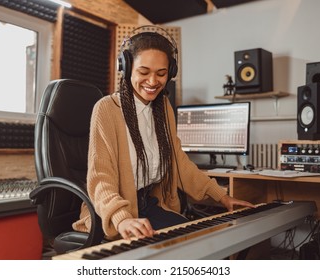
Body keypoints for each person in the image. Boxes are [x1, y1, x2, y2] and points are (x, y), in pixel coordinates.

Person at [72, 27, 254, 241]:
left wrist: (222, 197)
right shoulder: (107, 109)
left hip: (148, 206)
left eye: (161, 73)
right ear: (127, 67)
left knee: (200, 240)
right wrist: (122, 218)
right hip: (111, 211)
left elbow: (180, 163)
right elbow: (100, 177)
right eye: (144, 72)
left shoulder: (163, 108)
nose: (152, 81)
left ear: (171, 72)